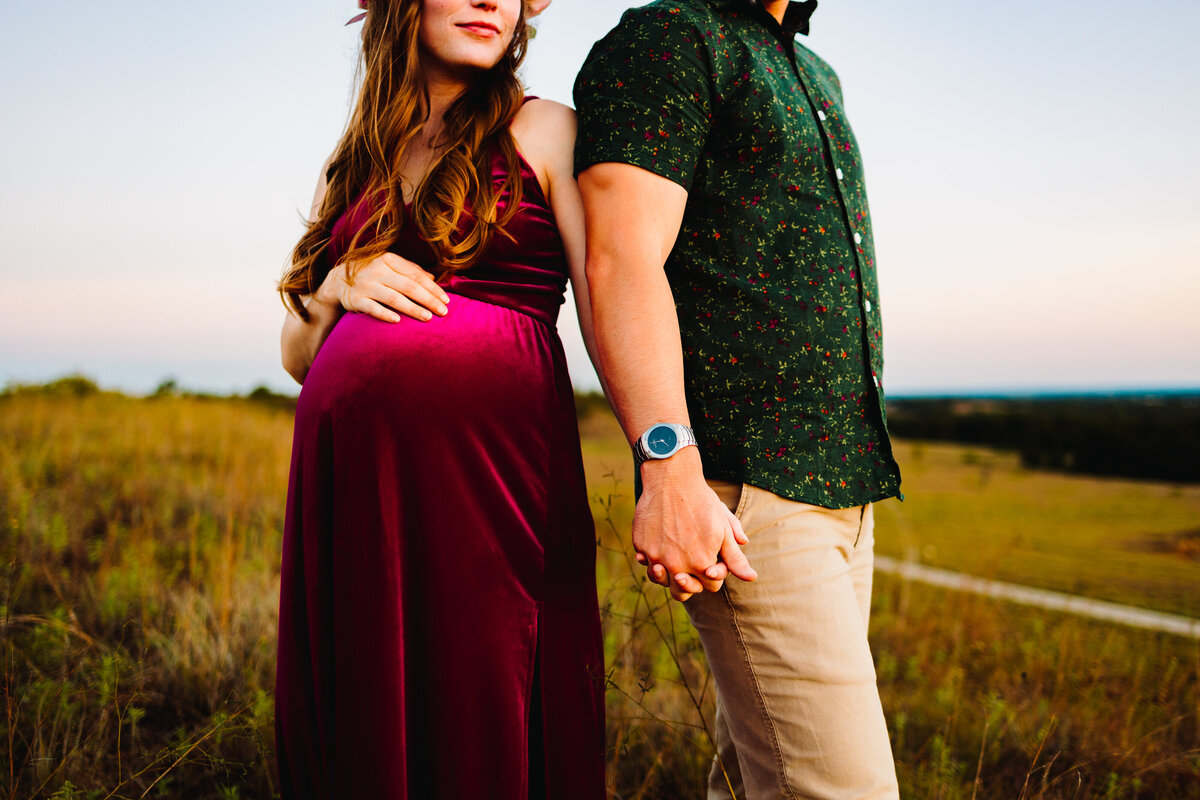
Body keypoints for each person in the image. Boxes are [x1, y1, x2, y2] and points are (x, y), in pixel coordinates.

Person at [273, 1, 605, 797]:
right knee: (368, 699)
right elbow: (294, 357)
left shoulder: (547, 129)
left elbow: (611, 305)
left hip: (496, 485)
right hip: (359, 502)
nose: (492, 0)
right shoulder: (352, 162)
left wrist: (669, 456)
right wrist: (339, 283)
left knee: (486, 692)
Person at [573, 1, 903, 798]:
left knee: (760, 784)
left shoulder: (813, 72)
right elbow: (620, 261)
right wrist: (670, 470)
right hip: (748, 494)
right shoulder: (669, 39)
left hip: (844, 488)